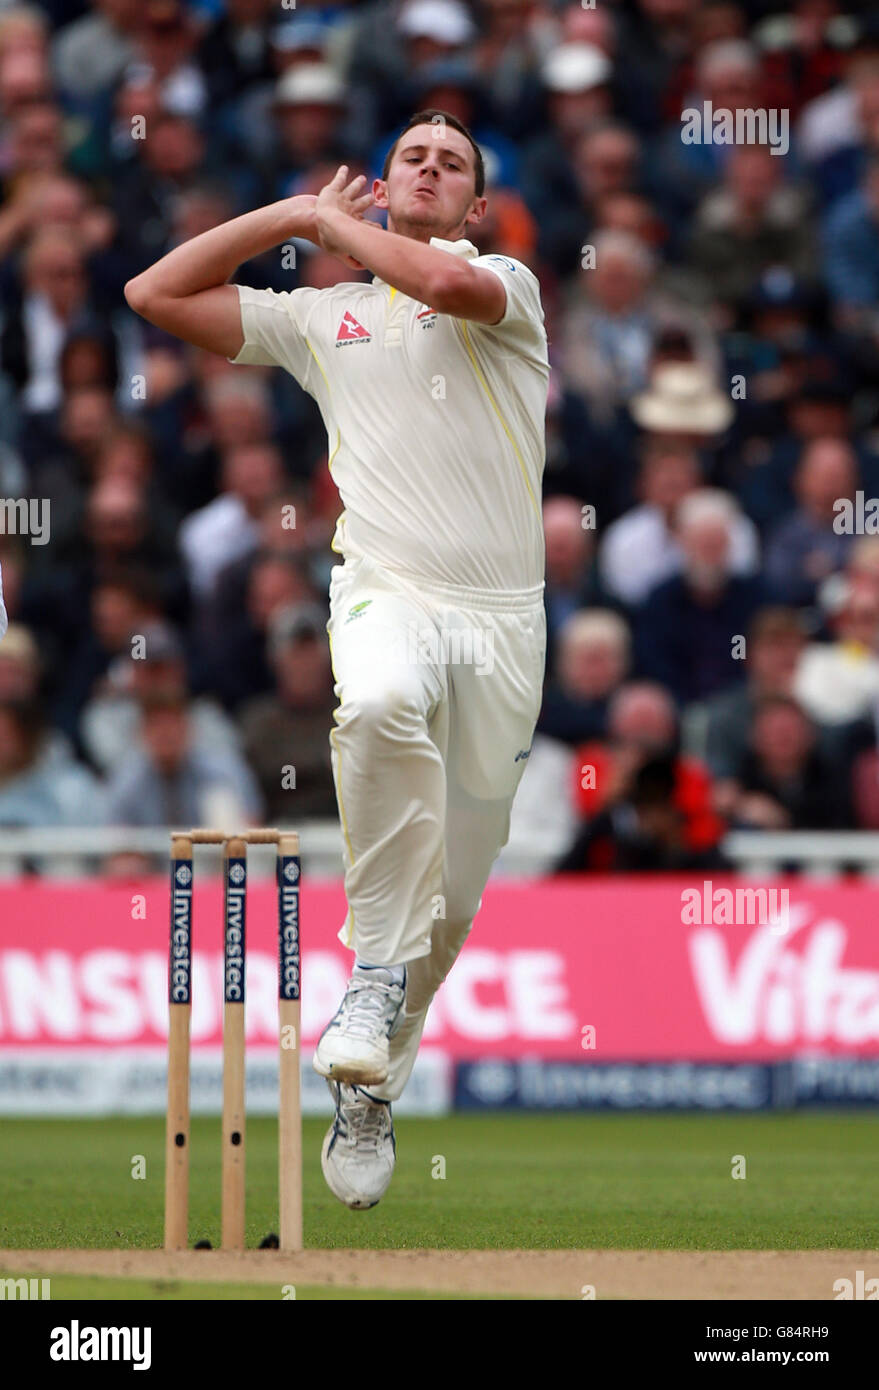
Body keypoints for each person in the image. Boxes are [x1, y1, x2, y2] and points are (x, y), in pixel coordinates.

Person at [124, 108, 549, 1212]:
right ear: (383, 177)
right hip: (385, 587)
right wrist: (291, 216)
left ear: (476, 206)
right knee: (378, 703)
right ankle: (366, 975)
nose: (430, 169)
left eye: (452, 165)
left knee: (452, 904)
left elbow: (440, 289)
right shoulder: (326, 317)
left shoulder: (505, 288)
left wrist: (335, 227)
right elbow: (154, 296)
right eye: (413, 154)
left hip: (504, 620)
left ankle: (372, 1087)